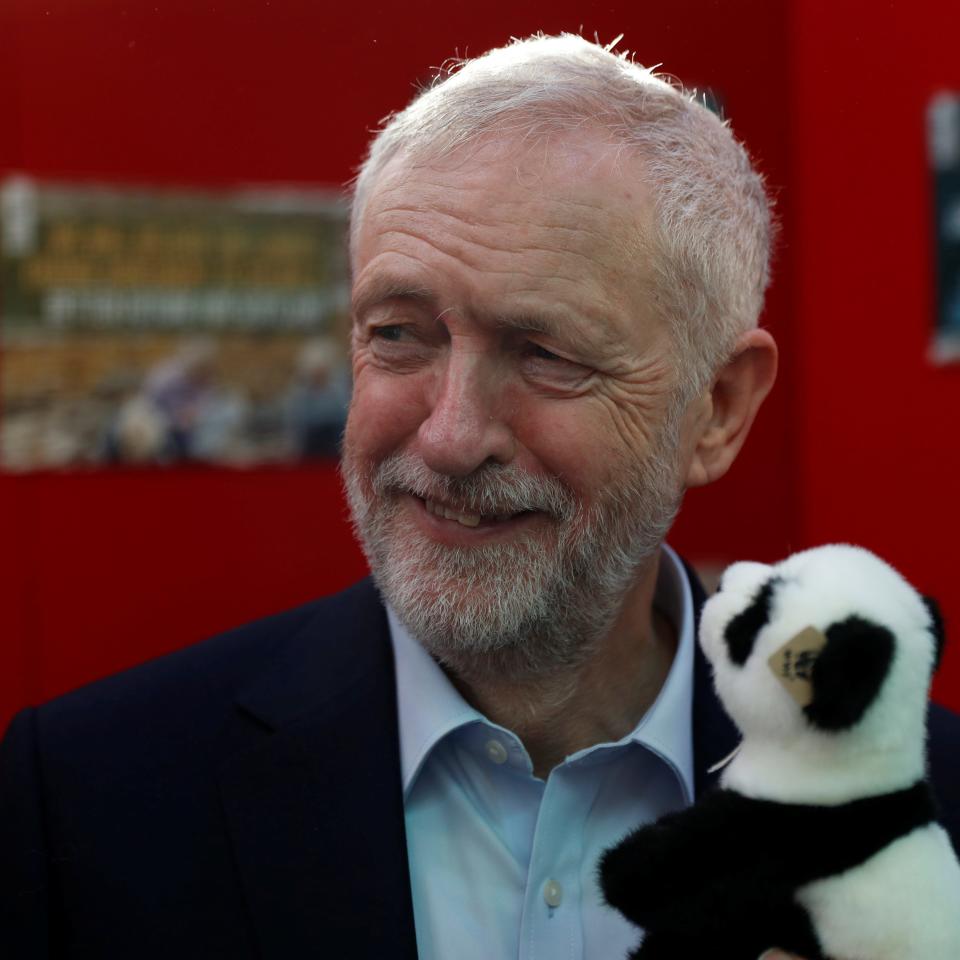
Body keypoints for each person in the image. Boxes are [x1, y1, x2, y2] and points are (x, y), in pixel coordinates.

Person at [1, 34, 958, 960]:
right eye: (399, 334)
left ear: (716, 407)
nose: (451, 437)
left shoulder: (935, 806)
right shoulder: (86, 802)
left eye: (545, 354)